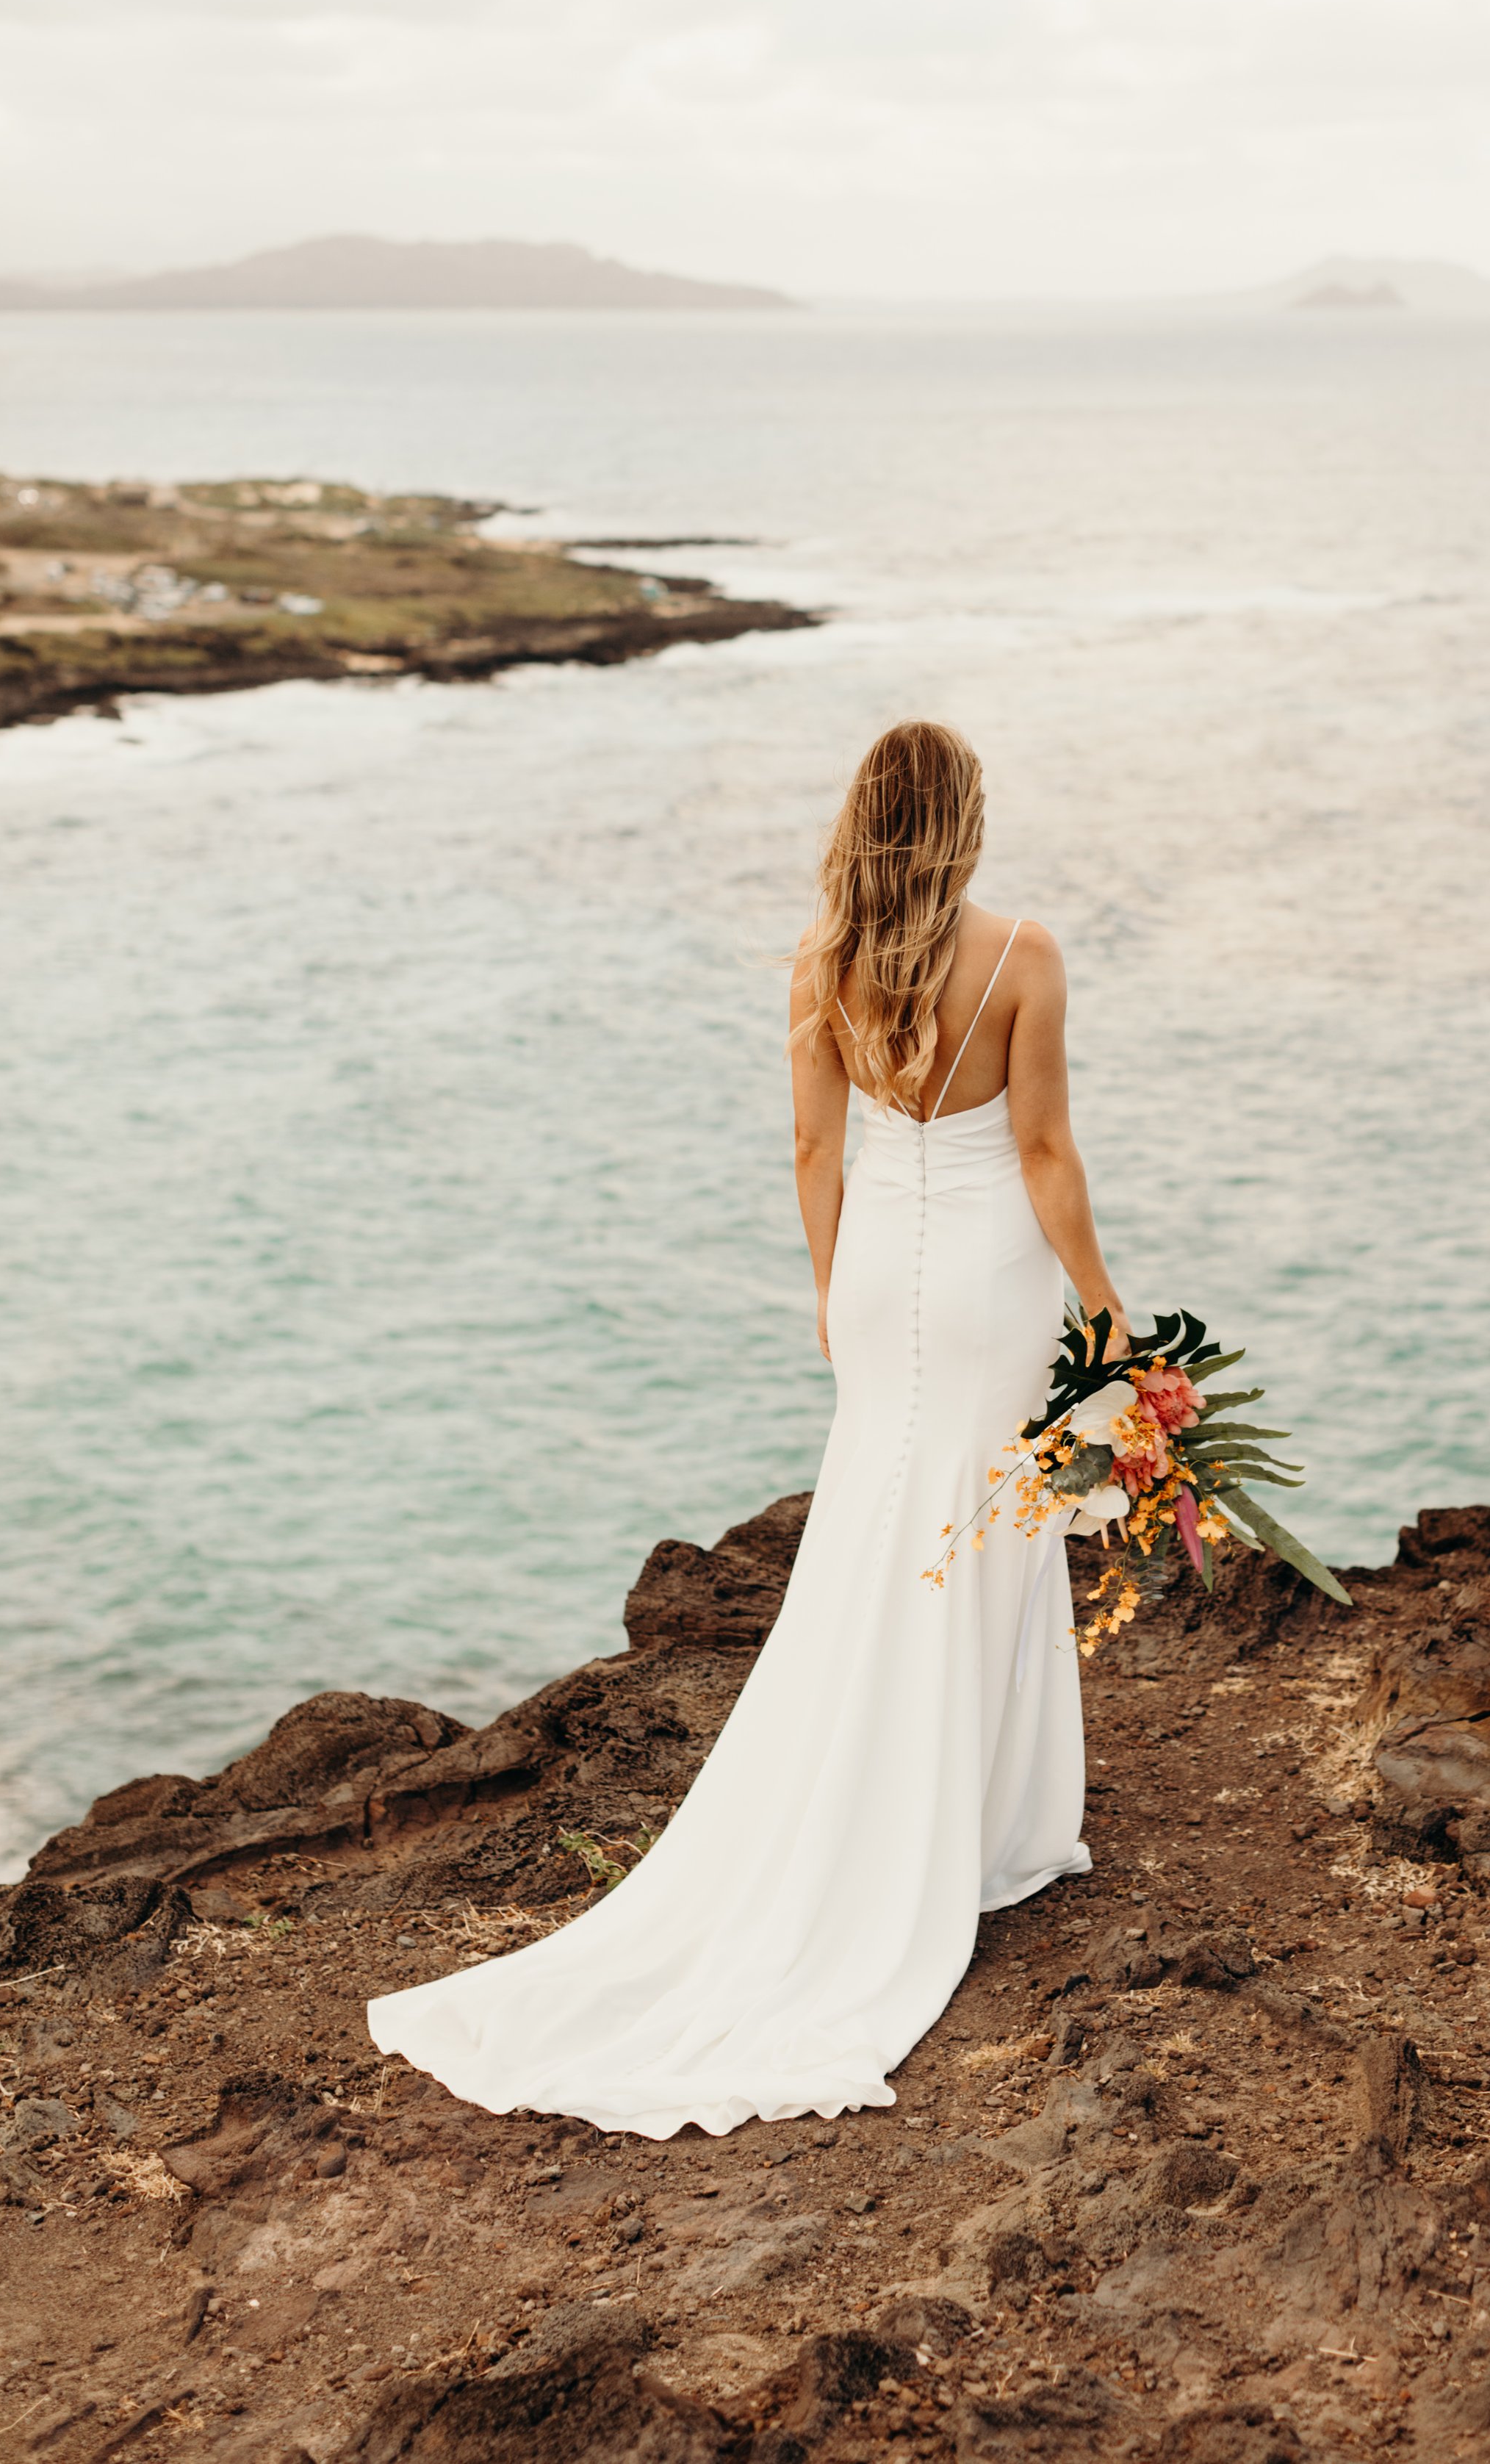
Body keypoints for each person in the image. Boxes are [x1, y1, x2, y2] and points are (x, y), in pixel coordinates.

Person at [367, 719, 1126, 2138]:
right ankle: (984, 1830)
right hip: (990, 1286)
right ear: (962, 823)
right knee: (990, 1528)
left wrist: (831, 1292)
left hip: (879, 1275)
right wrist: (1112, 1311)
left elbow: (814, 1149)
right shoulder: (1023, 958)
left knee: (879, 1538)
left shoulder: (820, 962)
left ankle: (912, 1813)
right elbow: (1041, 1154)